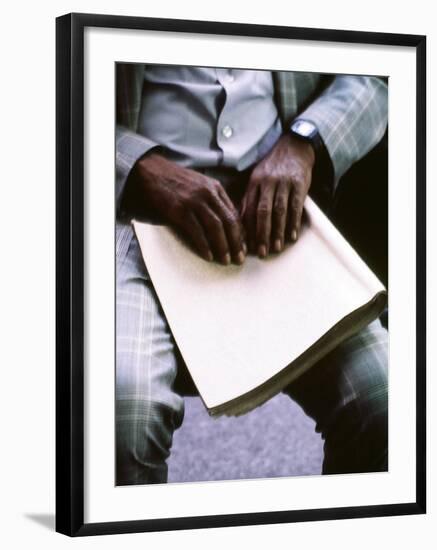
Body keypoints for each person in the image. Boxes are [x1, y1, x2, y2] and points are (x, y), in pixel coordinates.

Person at [115, 64, 389, 485]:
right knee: (124, 410)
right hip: (134, 212)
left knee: (390, 400)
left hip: (275, 210)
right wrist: (136, 165)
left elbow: (371, 74)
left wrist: (307, 141)